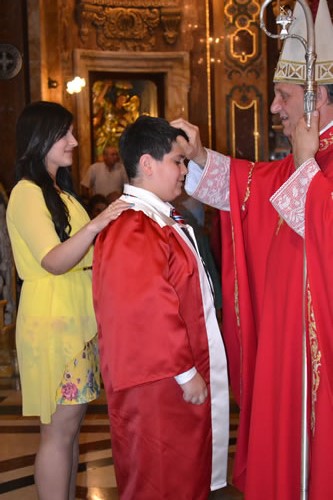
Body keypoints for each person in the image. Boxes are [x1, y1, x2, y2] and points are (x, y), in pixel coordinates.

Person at [171, 0, 333, 499]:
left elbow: (321, 222)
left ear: (315, 101)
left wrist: (306, 165)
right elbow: (248, 188)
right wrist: (198, 156)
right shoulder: (304, 163)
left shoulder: (316, 163)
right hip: (289, 346)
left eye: (284, 97)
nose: (274, 108)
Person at [92, 115, 230, 500]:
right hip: (158, 387)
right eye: (178, 161)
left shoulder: (155, 217)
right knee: (162, 483)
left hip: (168, 382)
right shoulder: (134, 225)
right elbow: (146, 306)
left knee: (182, 480)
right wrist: (186, 374)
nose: (185, 170)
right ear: (148, 164)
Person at [6, 101, 131, 500]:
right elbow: (55, 260)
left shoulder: (60, 192)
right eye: (66, 134)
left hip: (76, 318)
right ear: (41, 137)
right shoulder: (27, 194)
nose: (74, 142)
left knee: (69, 428)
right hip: (54, 319)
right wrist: (99, 222)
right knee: (58, 432)